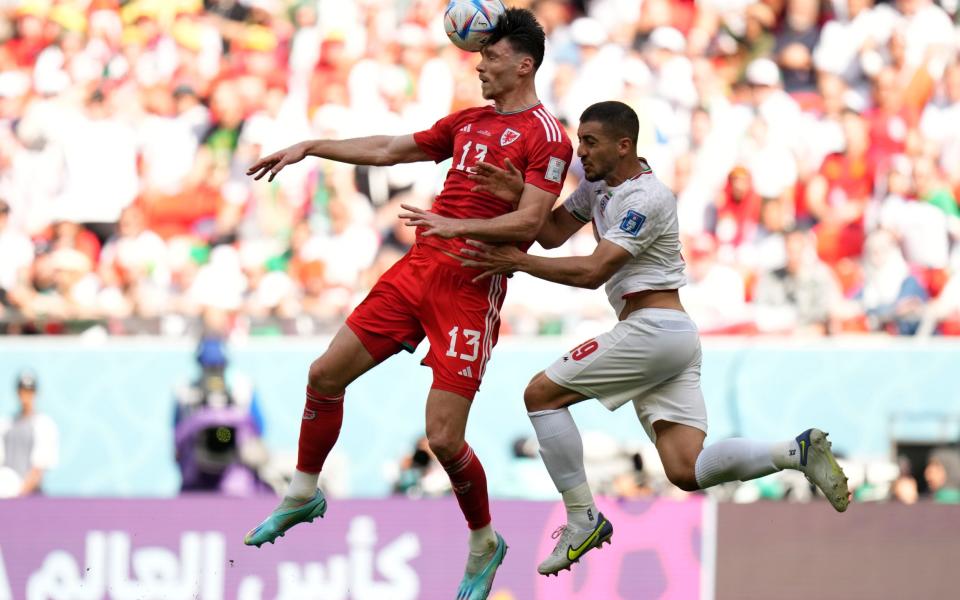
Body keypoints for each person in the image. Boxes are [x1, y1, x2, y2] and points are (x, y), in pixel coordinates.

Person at [243, 9, 572, 598]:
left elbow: (532, 220)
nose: (479, 66)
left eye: (490, 58)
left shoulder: (548, 137)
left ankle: (483, 541)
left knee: (443, 438)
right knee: (323, 373)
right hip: (417, 270)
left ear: (523, 65)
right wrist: (312, 146)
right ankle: (302, 492)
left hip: (470, 286)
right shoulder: (469, 122)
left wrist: (451, 223)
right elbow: (393, 148)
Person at [445, 101, 849, 575]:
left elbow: (594, 270)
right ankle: (794, 451)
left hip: (652, 329)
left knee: (540, 395)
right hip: (668, 338)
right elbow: (553, 234)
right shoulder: (598, 187)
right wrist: (520, 193)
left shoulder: (648, 198)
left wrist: (518, 263)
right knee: (685, 469)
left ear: (624, 145)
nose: (582, 152)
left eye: (591, 142)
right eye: (580, 140)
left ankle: (582, 518)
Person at [0, 370, 59, 498]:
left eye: (30, 391)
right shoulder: (5, 424)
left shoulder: (44, 424)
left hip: (30, 497)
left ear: (35, 393)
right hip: (6, 494)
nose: (26, 395)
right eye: (23, 391)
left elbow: (39, 468)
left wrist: (19, 493)